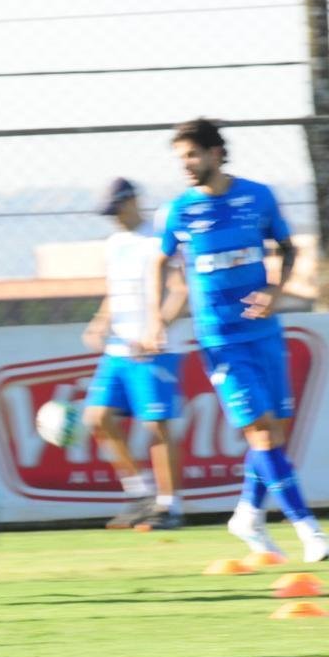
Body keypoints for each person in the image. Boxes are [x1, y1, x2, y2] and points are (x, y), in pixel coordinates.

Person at [145, 118, 327, 562]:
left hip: (264, 333)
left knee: (274, 432)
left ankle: (247, 513)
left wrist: (274, 291)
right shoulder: (177, 211)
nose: (186, 165)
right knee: (263, 433)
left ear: (215, 154)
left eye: (192, 154)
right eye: (180, 158)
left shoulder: (257, 197)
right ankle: (308, 531)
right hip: (220, 341)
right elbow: (159, 263)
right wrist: (156, 320)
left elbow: (289, 249)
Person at [82, 178, 185, 531]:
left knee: (156, 425)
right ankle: (141, 495)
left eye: (116, 209)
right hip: (118, 349)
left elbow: (179, 290)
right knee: (98, 418)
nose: (113, 217)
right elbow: (114, 291)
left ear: (132, 202)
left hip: (155, 350)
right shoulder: (114, 244)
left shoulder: (159, 239)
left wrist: (159, 328)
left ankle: (169, 507)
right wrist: (99, 322)